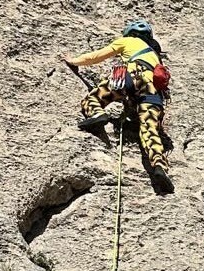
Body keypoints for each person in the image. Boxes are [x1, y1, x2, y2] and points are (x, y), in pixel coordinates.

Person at [65, 19, 174, 193]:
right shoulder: (155, 55)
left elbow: (97, 56)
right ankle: (159, 165)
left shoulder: (127, 41)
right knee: (150, 129)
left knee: (92, 99)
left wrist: (74, 61)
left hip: (131, 78)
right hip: (153, 92)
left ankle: (97, 113)